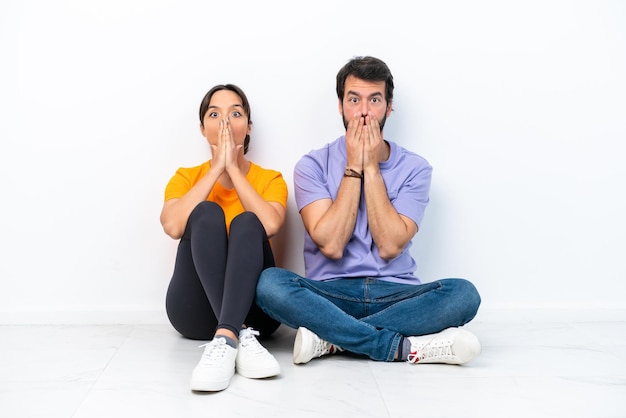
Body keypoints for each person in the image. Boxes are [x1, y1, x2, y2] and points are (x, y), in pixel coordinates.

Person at [255, 56, 481, 366]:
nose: (363, 111)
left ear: (388, 107)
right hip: (329, 295)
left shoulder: (415, 168)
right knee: (270, 285)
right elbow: (331, 245)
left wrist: (371, 166)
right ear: (340, 106)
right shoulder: (312, 165)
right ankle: (396, 345)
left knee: (464, 295)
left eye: (374, 99)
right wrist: (353, 166)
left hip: (397, 294)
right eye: (354, 99)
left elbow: (390, 246)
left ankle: (332, 338)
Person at [160, 84, 288, 392]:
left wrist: (234, 169)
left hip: (256, 315)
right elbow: (173, 226)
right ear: (204, 129)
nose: (226, 122)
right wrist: (217, 169)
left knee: (248, 222)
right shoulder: (185, 177)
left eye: (236, 113)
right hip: (194, 311)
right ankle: (234, 334)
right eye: (215, 115)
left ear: (248, 127)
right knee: (205, 213)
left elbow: (270, 224)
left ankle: (229, 334)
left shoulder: (270, 179)